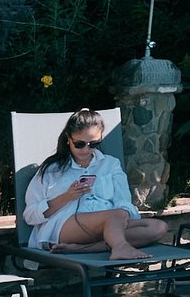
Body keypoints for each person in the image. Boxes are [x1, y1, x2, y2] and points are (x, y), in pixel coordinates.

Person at [21, 109, 169, 259]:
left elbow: (123, 202)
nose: (86, 149)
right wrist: (67, 197)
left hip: (109, 223)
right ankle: (120, 247)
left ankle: (81, 249)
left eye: (93, 144)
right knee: (115, 215)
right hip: (65, 226)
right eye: (79, 144)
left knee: (158, 227)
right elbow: (30, 215)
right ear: (68, 139)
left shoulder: (110, 164)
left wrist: (120, 218)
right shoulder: (53, 170)